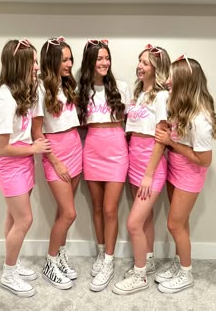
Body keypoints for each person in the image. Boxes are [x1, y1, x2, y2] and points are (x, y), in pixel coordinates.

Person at [0, 39, 51, 297]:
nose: (36, 67)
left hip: (22, 162)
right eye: (33, 62)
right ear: (19, 64)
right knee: (25, 219)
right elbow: (1, 148)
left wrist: (30, 152)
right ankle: (8, 273)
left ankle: (11, 263)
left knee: (14, 217)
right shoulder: (4, 99)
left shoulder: (22, 92)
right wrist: (33, 150)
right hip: (10, 165)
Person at [154, 56, 216, 293]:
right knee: (181, 223)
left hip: (190, 175)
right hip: (176, 169)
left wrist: (171, 143)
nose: (168, 81)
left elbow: (205, 159)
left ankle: (186, 274)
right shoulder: (179, 105)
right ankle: (181, 264)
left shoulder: (200, 118)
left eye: (172, 76)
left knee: (174, 224)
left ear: (185, 81)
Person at [113, 44, 171, 295]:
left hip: (151, 166)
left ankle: (139, 277)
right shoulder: (138, 95)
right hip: (134, 162)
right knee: (145, 219)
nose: (139, 65)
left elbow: (161, 137)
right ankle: (147, 261)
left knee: (133, 223)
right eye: (139, 61)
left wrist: (149, 174)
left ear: (156, 68)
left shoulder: (162, 97)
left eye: (145, 62)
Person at [78, 39, 131, 292]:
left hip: (117, 151)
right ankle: (101, 251)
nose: (104, 62)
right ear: (90, 61)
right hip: (92, 150)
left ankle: (109, 261)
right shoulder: (82, 90)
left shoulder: (122, 87)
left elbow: (132, 123)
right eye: (99, 58)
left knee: (111, 209)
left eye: (107, 57)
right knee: (97, 208)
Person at [32, 37, 82, 290]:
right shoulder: (40, 89)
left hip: (75, 148)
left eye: (70, 58)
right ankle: (50, 263)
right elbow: (37, 133)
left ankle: (59, 256)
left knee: (64, 212)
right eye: (64, 59)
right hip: (56, 154)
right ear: (52, 61)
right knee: (70, 213)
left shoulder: (67, 85)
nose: (69, 63)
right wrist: (55, 162)